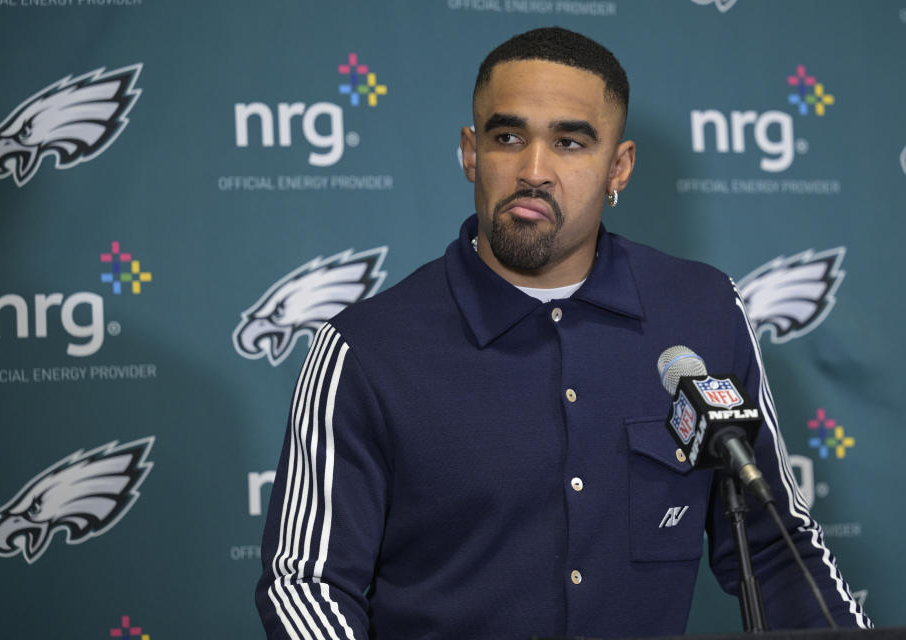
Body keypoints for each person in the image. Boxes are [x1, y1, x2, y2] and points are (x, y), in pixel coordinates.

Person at [255, 27, 871, 639]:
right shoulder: (365, 347)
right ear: (471, 152)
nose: (534, 170)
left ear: (619, 167)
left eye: (571, 142)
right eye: (508, 137)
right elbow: (305, 584)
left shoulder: (703, 311)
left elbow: (775, 549)